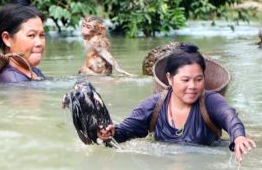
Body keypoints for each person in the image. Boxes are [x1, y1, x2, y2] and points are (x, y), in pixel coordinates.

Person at [98, 43, 256, 162]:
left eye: (199, 79)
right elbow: (124, 132)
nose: (192, 86)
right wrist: (109, 133)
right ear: (169, 78)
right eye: (185, 80)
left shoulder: (211, 101)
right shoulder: (153, 105)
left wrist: (239, 137)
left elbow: (231, 118)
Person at [0, 0, 46, 83]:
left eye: (42, 35)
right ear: (7, 39)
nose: (39, 43)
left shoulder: (35, 72)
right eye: (31, 35)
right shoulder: (13, 80)